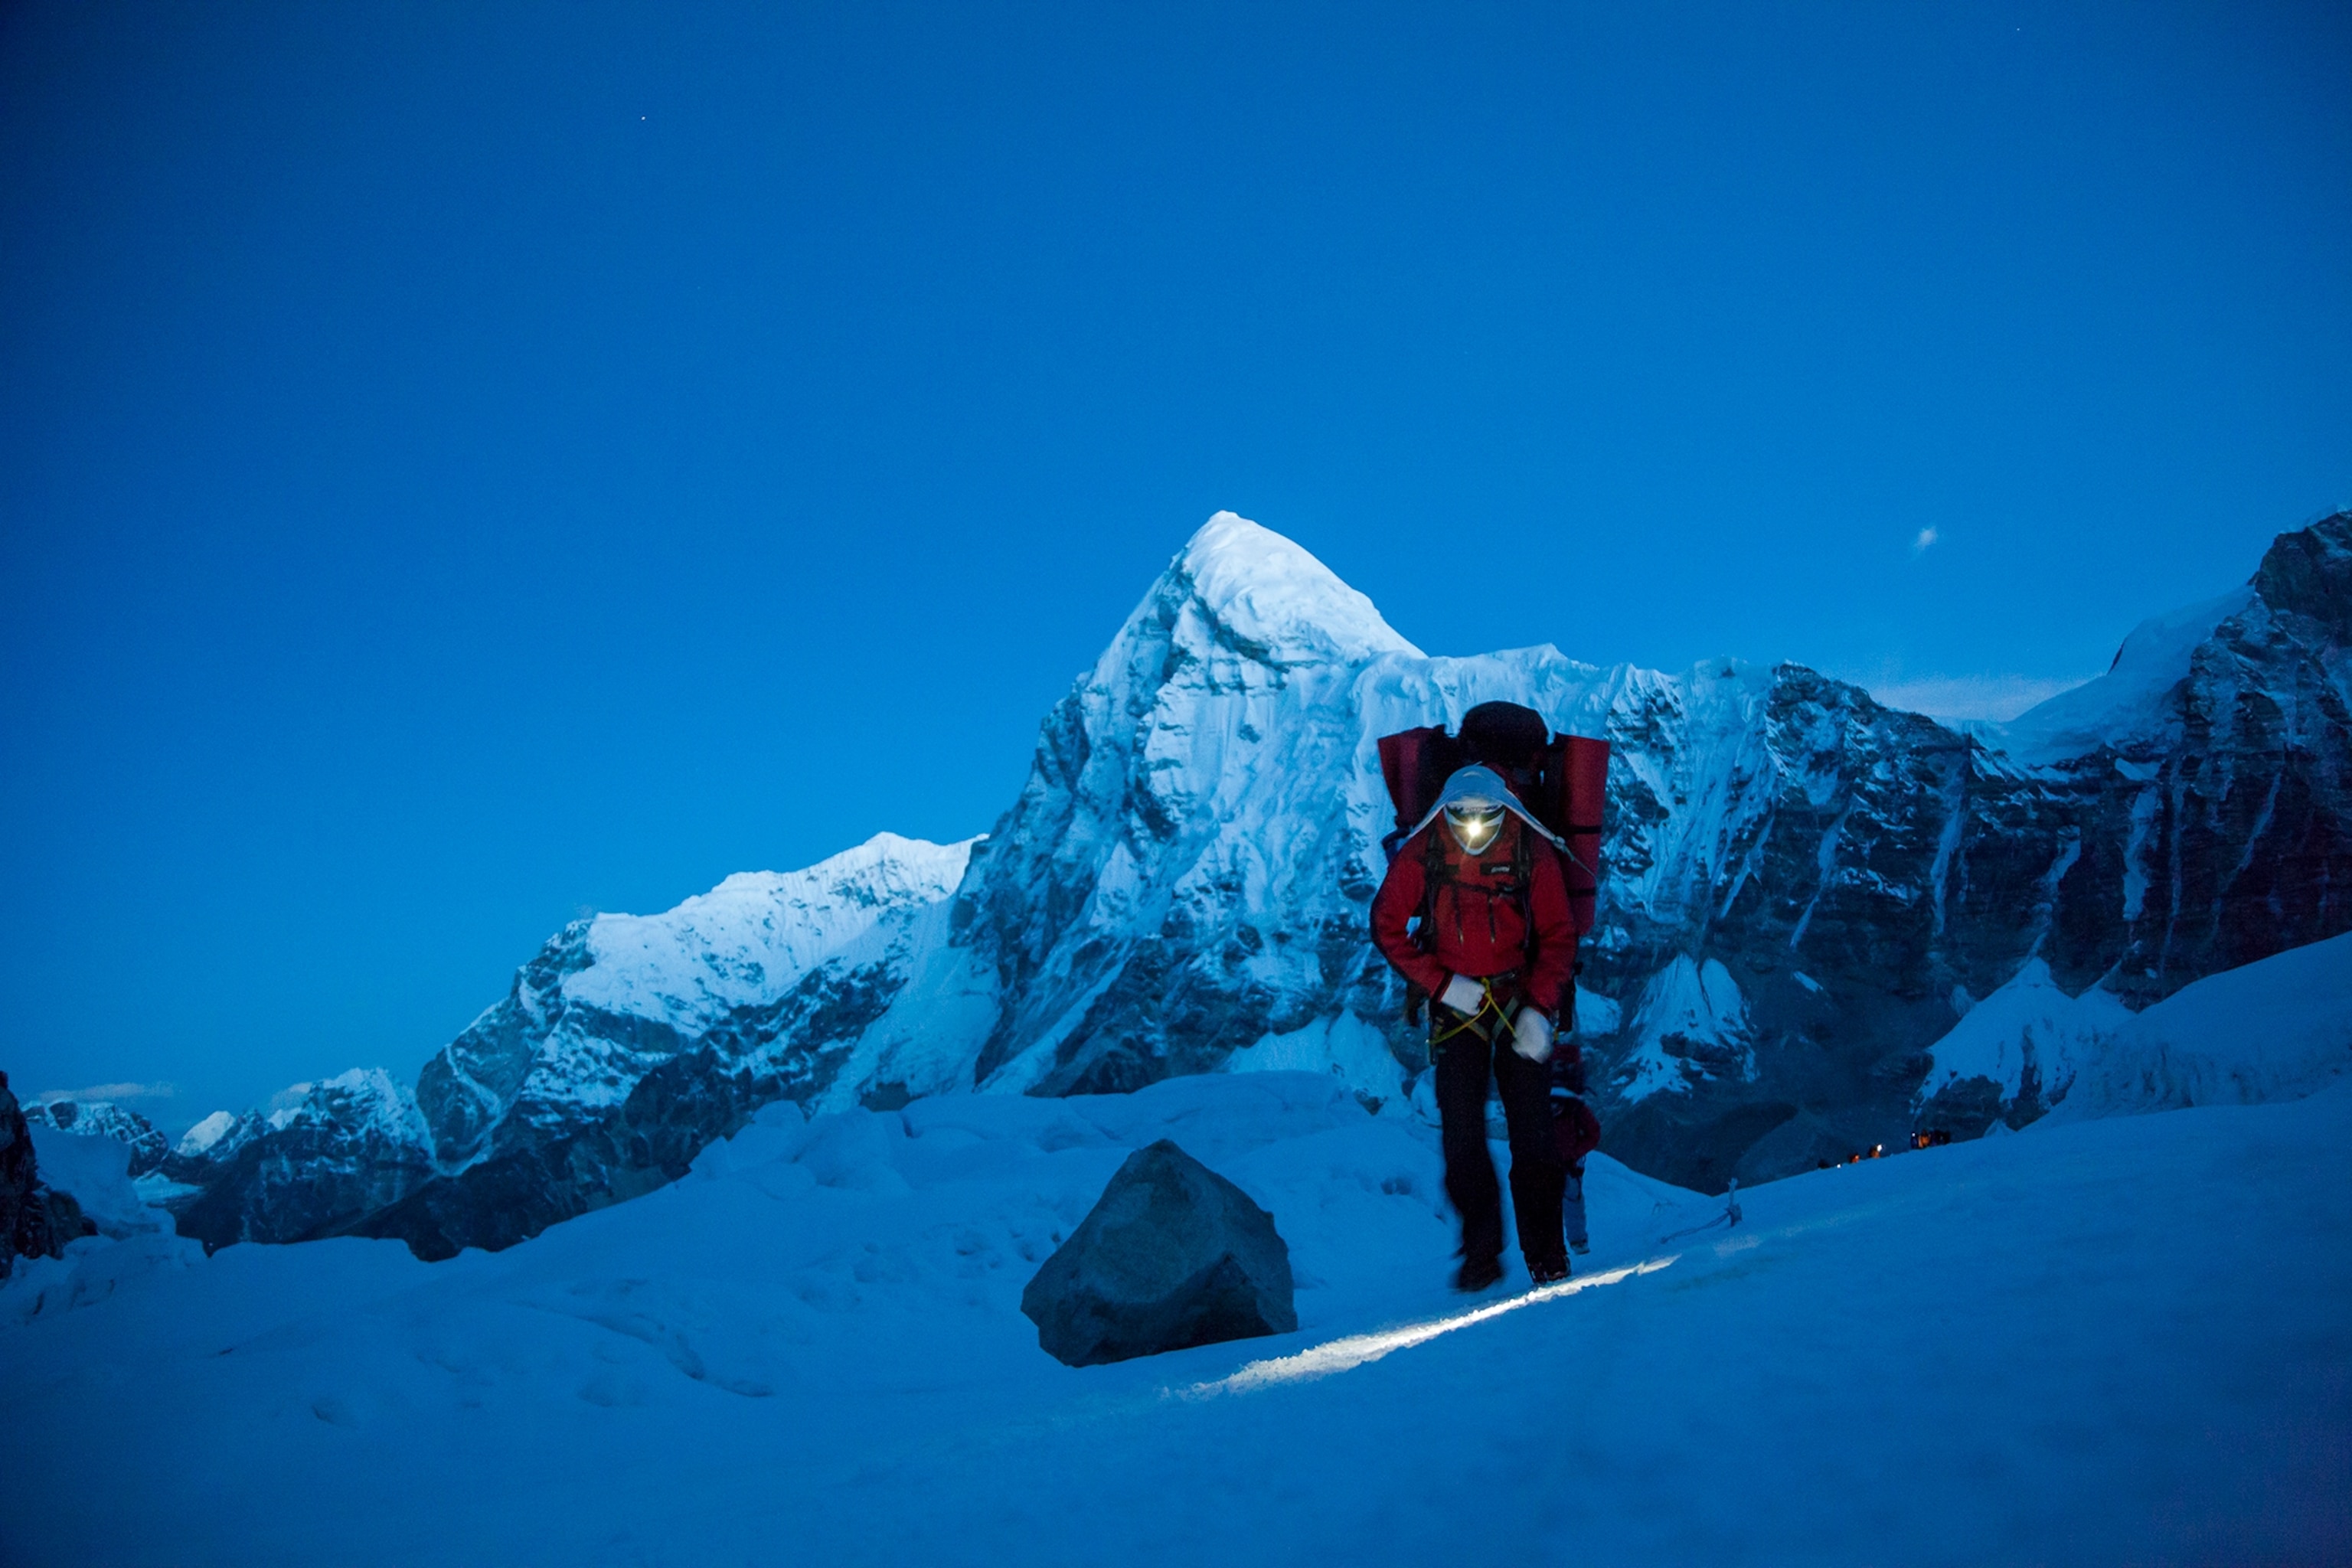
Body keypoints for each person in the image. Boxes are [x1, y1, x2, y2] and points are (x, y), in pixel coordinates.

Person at [1370, 763, 1576, 1291]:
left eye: (1484, 817)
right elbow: (1386, 923)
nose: (1473, 826)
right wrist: (1441, 985)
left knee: (1533, 1139)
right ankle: (1484, 1254)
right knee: (1462, 1139)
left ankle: (1546, 1256)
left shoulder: (1530, 848)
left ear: (1504, 810)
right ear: (1447, 812)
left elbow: (1557, 936)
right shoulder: (1428, 849)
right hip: (1459, 1006)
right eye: (1463, 816)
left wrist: (1538, 1008)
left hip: (1516, 998)